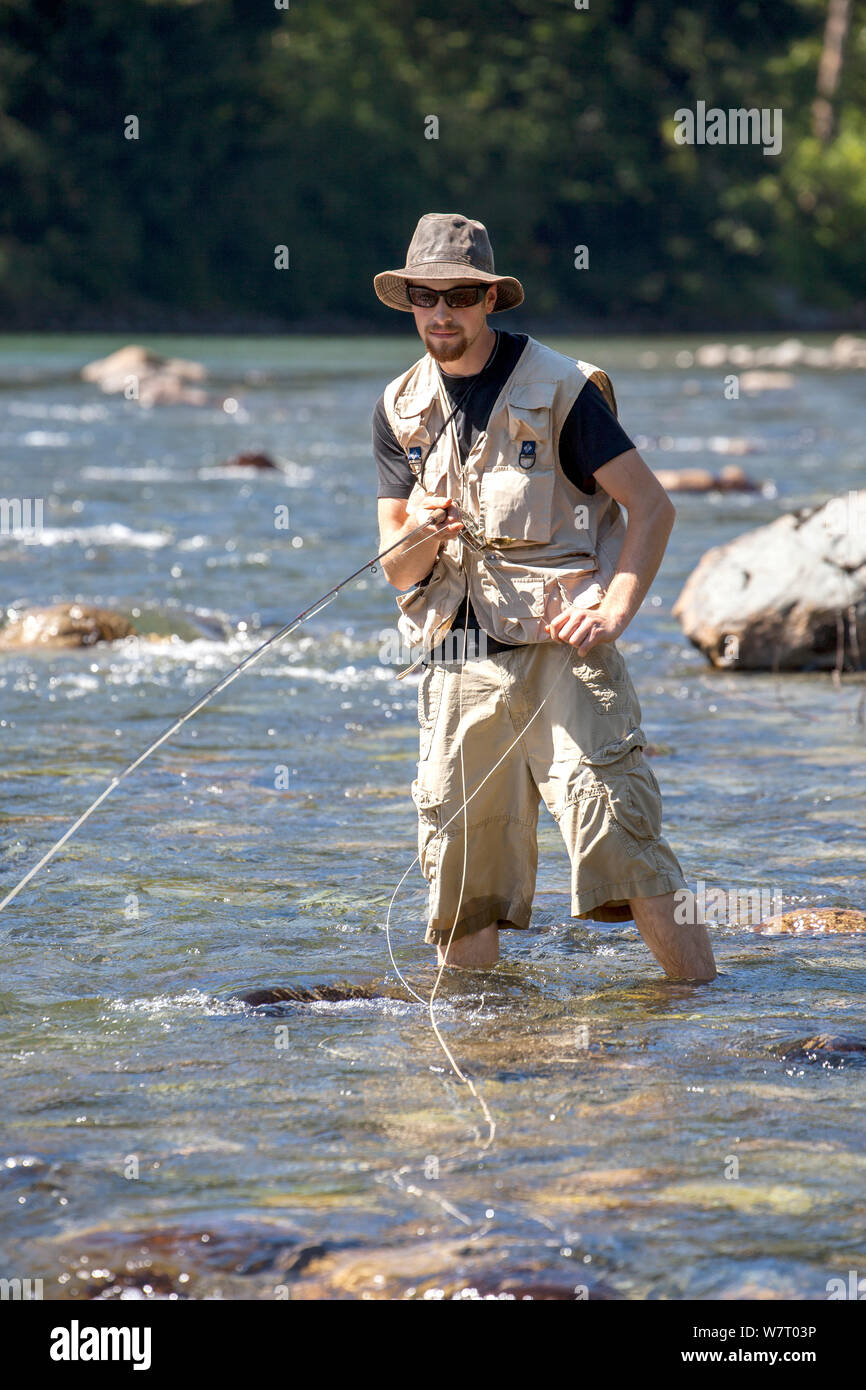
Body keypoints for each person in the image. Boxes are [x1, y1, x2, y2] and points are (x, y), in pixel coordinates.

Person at [371, 212, 716, 983]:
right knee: (463, 876)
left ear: (489, 298)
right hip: (457, 659)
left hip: (566, 652)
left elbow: (651, 507)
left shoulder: (562, 389)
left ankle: (706, 1016)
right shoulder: (399, 407)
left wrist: (618, 605)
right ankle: (485, 1047)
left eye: (458, 296)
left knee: (626, 841)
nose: (440, 313)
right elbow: (397, 569)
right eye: (424, 297)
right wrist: (421, 532)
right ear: (409, 302)